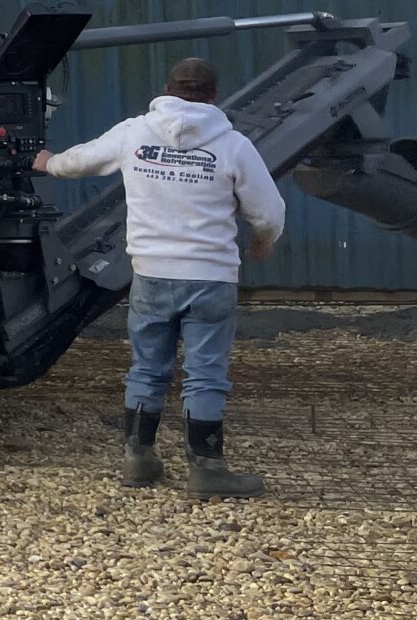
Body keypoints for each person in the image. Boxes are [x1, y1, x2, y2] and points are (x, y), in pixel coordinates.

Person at [33, 56, 285, 497]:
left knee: (147, 369)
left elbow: (81, 161)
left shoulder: (135, 133)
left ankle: (139, 461)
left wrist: (48, 162)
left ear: (167, 90)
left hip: (151, 273)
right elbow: (269, 211)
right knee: (205, 374)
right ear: (212, 96)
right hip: (211, 277)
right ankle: (207, 470)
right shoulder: (233, 146)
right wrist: (263, 241)